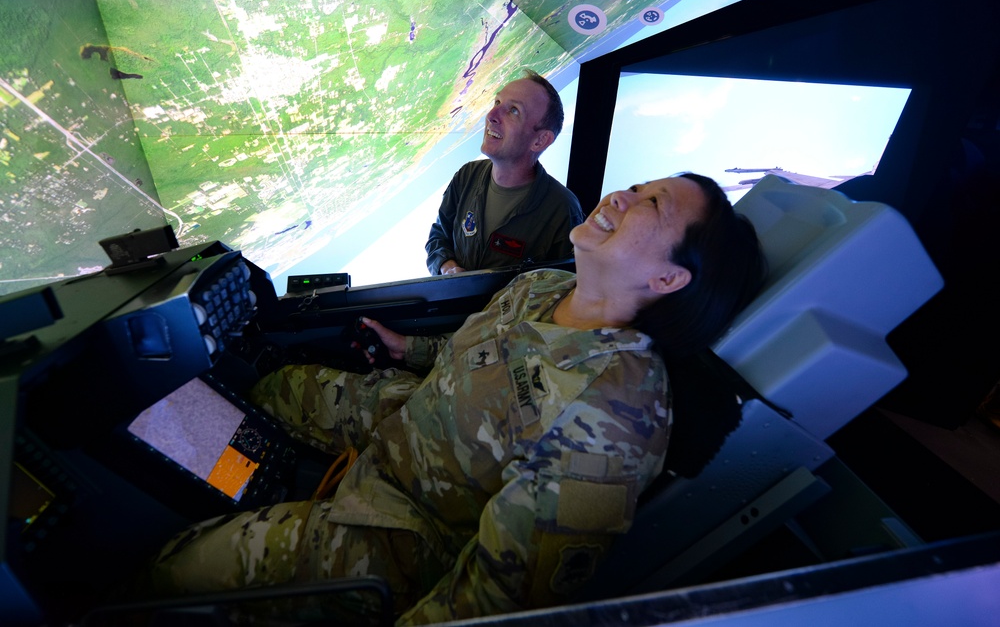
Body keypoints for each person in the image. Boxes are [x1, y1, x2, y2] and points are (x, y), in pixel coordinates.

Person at [142, 173, 766, 625]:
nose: (624, 195)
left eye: (651, 204)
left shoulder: (612, 414)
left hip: (409, 528)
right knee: (267, 387)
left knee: (177, 574)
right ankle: (224, 475)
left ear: (667, 279)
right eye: (639, 185)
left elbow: (498, 598)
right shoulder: (545, 286)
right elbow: (473, 357)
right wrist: (404, 349)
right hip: (409, 417)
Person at [425, 69, 585, 276]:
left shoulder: (562, 209)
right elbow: (439, 235)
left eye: (514, 111)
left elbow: (562, 286)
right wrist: (447, 268)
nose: (491, 116)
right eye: (497, 103)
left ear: (540, 140)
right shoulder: (467, 176)